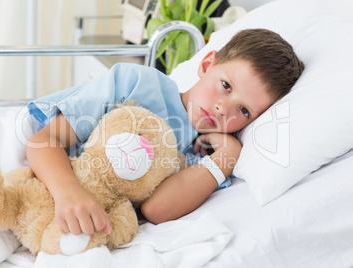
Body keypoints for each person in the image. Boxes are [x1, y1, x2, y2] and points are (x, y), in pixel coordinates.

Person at [26, 28, 305, 237]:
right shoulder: (137, 83)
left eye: (244, 111)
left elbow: (155, 210)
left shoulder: (207, 155)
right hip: (51, 181)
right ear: (207, 64)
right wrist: (69, 193)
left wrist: (227, 156)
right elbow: (44, 141)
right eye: (226, 85)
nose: (223, 109)